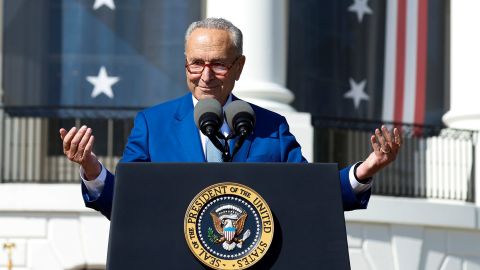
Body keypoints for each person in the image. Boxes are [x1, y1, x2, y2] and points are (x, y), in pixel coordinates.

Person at [59, 18, 401, 220]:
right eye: (196, 63)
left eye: (218, 64)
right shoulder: (153, 125)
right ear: (185, 65)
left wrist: (364, 171)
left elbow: (310, 195)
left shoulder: (271, 127)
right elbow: (124, 201)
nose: (205, 75)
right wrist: (91, 168)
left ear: (239, 67)